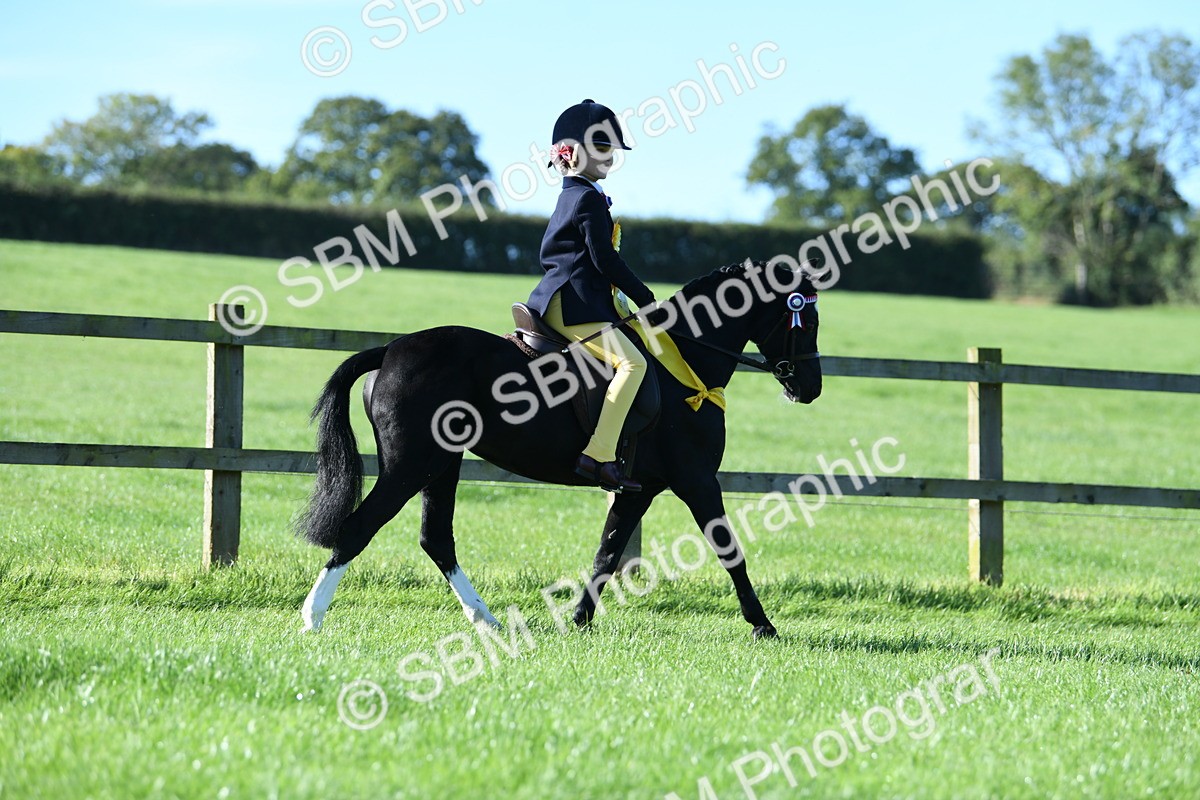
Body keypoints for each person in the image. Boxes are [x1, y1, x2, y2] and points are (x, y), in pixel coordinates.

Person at [526, 99, 656, 493]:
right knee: (634, 364)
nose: (610, 156)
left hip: (567, 299)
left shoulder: (577, 195)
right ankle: (598, 454)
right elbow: (604, 261)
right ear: (573, 152)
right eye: (602, 147)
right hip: (574, 305)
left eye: (612, 149)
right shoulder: (586, 199)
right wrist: (645, 297)